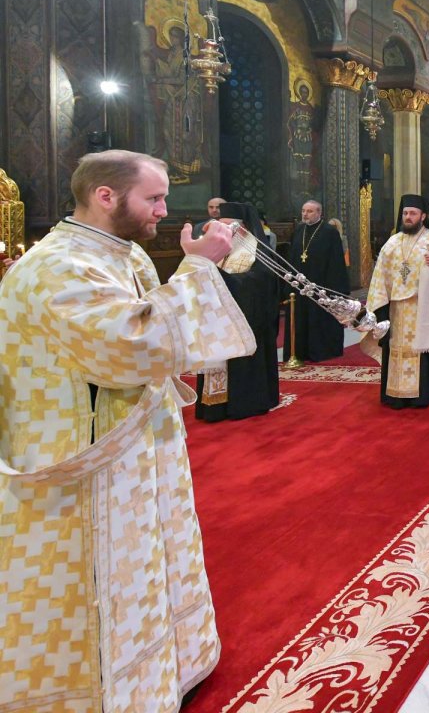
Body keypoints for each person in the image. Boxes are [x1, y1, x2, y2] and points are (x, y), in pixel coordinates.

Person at [0, 150, 256, 711]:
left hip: (133, 446)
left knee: (149, 559)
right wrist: (199, 268)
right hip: (83, 460)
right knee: (102, 585)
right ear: (106, 196)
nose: (165, 209)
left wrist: (193, 267)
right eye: (155, 198)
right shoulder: (58, 266)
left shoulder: (122, 253)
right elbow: (130, 347)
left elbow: (150, 323)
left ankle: (166, 666)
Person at [361, 195, 429, 408]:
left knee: (421, 349)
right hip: (396, 310)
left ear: (423, 216)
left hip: (422, 308)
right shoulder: (393, 242)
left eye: (413, 214)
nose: (408, 217)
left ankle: (422, 394)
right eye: (405, 213)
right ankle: (395, 394)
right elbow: (380, 275)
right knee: (395, 348)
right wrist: (379, 308)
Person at [196, 202, 281, 422]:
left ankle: (243, 403)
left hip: (245, 317)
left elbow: (261, 282)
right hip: (216, 316)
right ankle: (216, 406)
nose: (223, 231)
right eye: (220, 225)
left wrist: (227, 281)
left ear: (241, 227)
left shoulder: (257, 249)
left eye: (227, 226)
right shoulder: (217, 248)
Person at [286, 199, 349, 362]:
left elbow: (336, 262)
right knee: (300, 317)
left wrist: (334, 290)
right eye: (303, 211)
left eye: (310, 211)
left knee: (318, 319)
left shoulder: (329, 232)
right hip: (299, 285)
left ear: (319, 213)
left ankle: (322, 351)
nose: (305, 214)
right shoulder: (299, 230)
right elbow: (292, 257)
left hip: (322, 286)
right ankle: (301, 351)